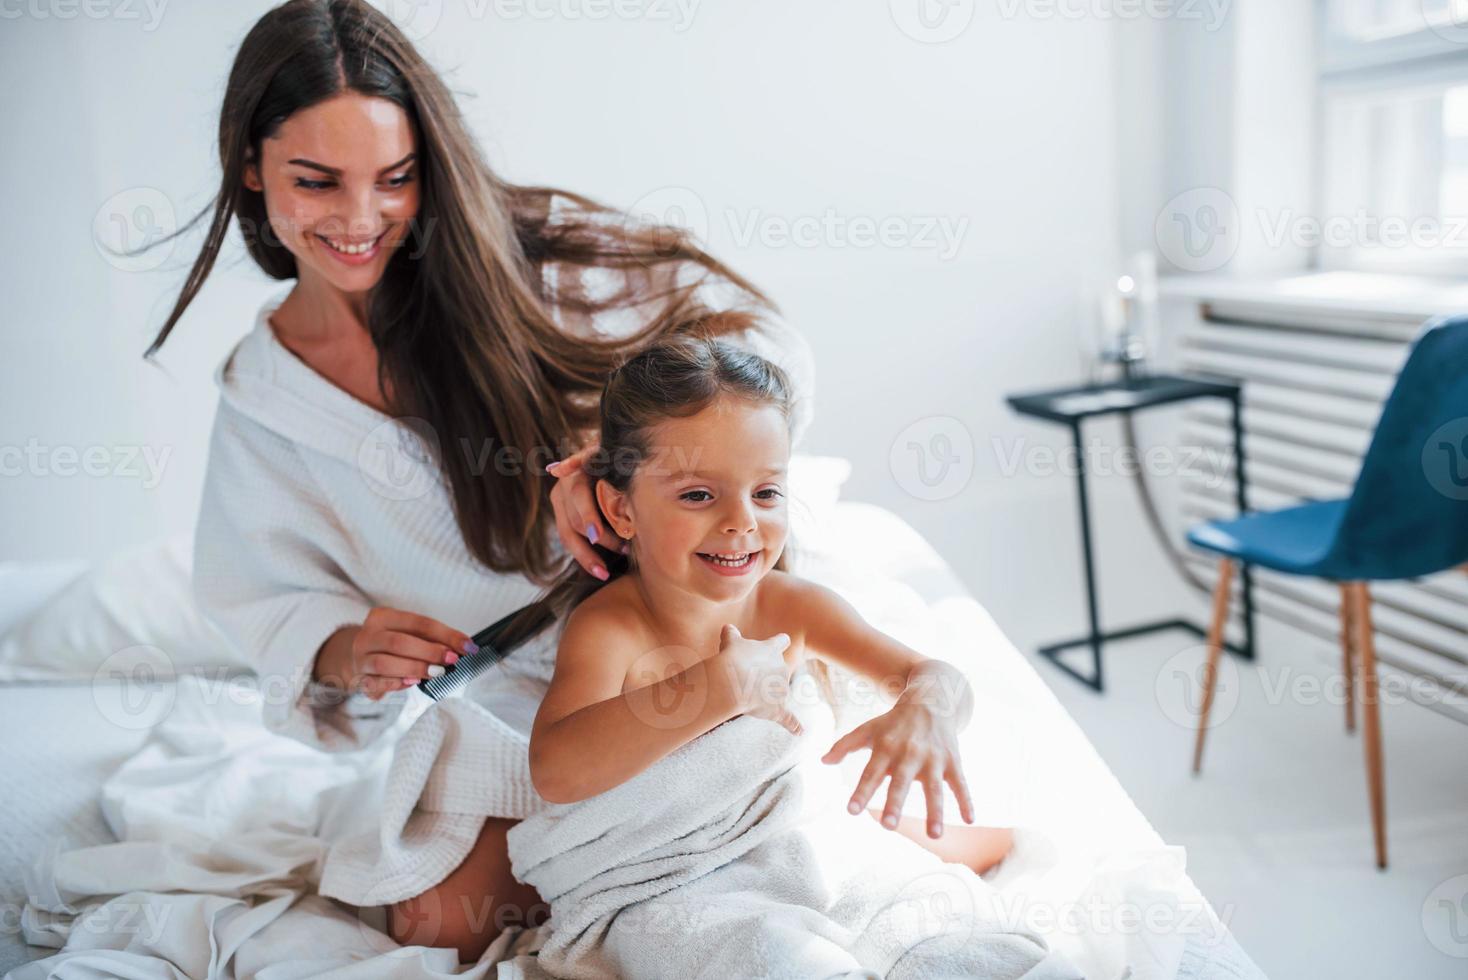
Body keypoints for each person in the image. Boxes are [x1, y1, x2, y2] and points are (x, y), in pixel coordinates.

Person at [145, 0, 1009, 964]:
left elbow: (766, 356)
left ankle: (835, 843)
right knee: (434, 915)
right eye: (316, 182)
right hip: (515, 688)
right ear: (251, 167)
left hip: (680, 626)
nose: (360, 220)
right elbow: (257, 595)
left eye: (396, 179)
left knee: (748, 828)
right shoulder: (266, 398)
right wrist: (345, 648)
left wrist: (613, 448)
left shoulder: (540, 261)